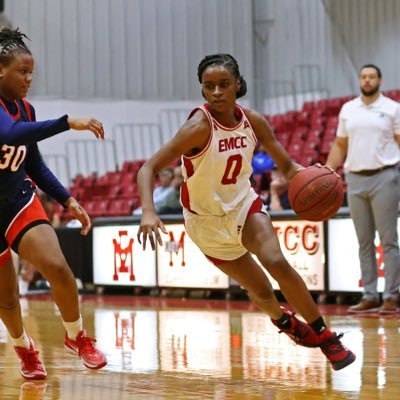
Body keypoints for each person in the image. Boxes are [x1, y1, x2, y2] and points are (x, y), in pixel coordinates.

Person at [137, 53, 356, 371]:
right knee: (261, 289)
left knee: (276, 261)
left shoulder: (253, 120)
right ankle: (284, 321)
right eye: (208, 86)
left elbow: (289, 167)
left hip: (243, 206)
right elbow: (148, 168)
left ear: (237, 84)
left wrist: (315, 173)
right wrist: (148, 210)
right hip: (204, 221)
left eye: (224, 84)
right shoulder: (197, 127)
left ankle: (326, 338)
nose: (216, 92)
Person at [0, 27, 107, 379]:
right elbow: (9, 134)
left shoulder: (25, 108)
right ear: (1, 70)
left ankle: (78, 337)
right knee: (7, 298)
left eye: (32, 72)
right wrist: (66, 122)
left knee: (59, 267)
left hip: (17, 198)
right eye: (23, 72)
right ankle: (24, 349)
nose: (29, 79)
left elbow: (33, 162)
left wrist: (67, 199)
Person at [326, 64, 400, 314]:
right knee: (364, 241)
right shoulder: (348, 109)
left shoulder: (392, 108)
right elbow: (339, 144)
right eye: (363, 77)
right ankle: (370, 295)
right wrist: (326, 170)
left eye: (371, 77)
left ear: (380, 80)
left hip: (385, 177)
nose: (367, 80)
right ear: (359, 81)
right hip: (354, 179)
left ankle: (391, 296)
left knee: (388, 240)